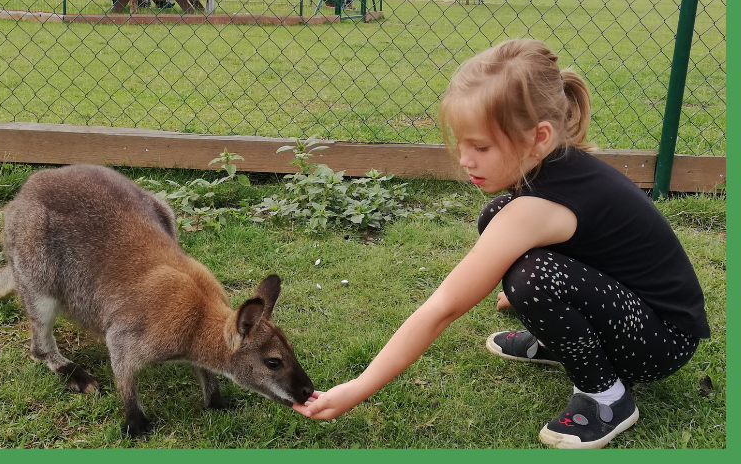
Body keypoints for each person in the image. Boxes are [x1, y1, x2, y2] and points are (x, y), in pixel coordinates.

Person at [292, 38, 710, 449]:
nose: (465, 159)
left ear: (539, 137)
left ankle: (607, 397)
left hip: (661, 341)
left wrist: (358, 387)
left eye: (481, 146)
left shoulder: (537, 208)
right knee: (497, 217)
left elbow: (444, 307)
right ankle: (559, 338)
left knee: (533, 277)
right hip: (630, 311)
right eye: (461, 142)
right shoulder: (554, 168)